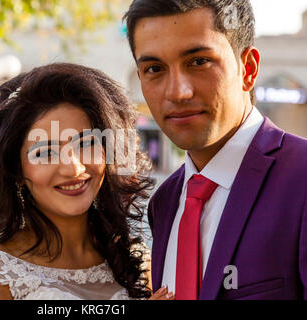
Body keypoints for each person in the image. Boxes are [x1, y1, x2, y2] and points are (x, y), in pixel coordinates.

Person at [123, 0, 307, 300]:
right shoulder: (164, 203)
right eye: (154, 68)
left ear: (247, 69)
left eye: (198, 62)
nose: (178, 92)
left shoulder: (301, 179)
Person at [0, 62, 173, 300]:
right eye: (45, 152)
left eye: (86, 143)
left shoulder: (137, 261)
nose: (73, 168)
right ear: (15, 169)